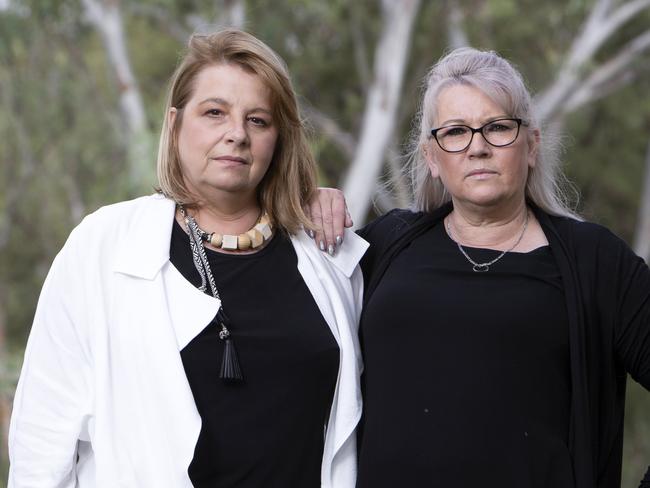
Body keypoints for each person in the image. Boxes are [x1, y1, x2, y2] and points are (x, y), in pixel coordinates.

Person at [8, 29, 368, 488]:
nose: (236, 134)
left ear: (279, 138)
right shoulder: (102, 248)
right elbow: (42, 438)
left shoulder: (328, 257)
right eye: (214, 112)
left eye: (258, 120)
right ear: (175, 124)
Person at [309, 47, 650, 487]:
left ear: (531, 144)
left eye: (497, 128)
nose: (478, 148)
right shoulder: (384, 245)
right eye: (455, 132)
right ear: (432, 157)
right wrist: (306, 207)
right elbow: (289, 342)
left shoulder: (596, 262)